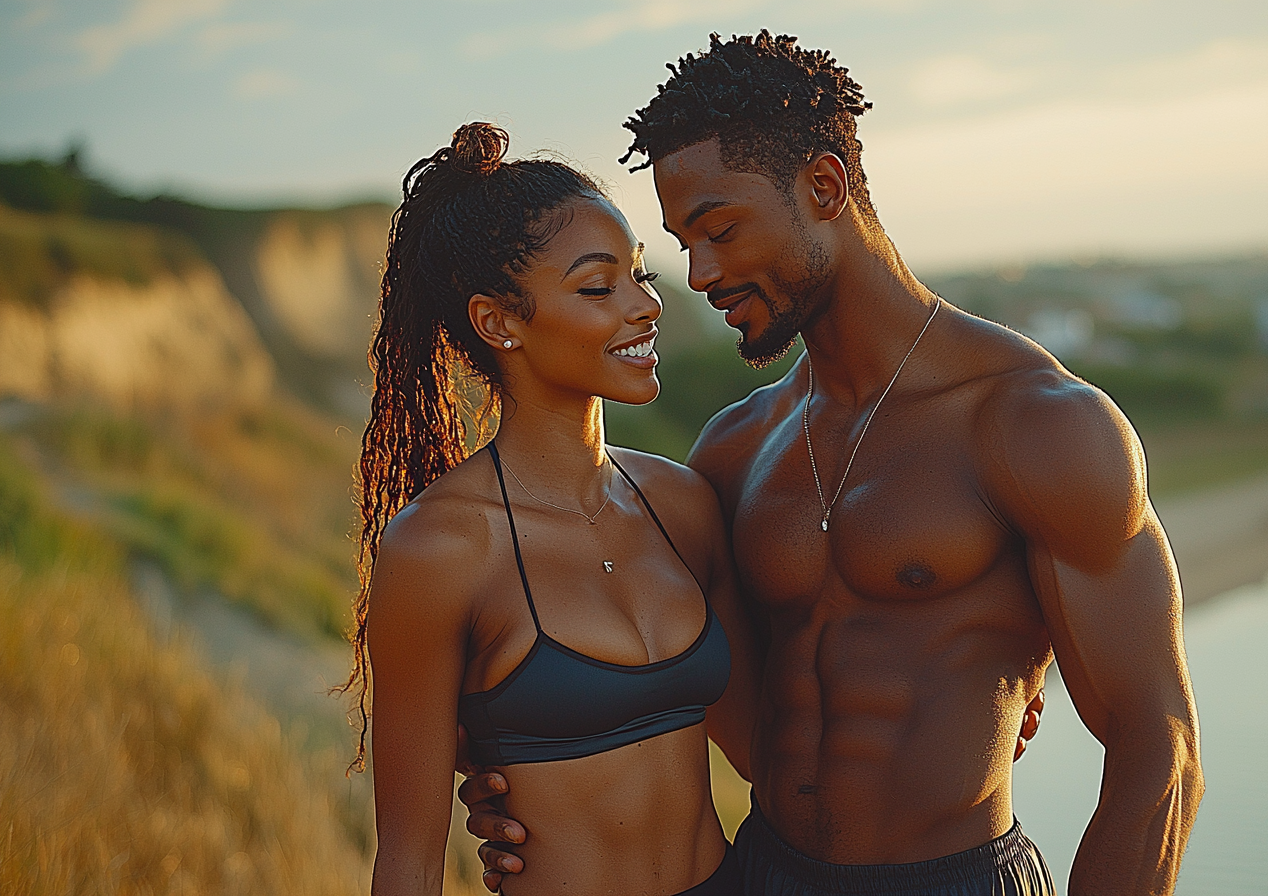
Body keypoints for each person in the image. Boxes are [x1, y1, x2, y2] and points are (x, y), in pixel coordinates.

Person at [463, 31, 1203, 896]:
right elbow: (708, 699)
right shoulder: (736, 448)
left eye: (722, 230)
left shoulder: (1035, 426)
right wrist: (530, 787)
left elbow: (1161, 751)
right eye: (681, 242)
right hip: (763, 871)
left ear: (824, 186)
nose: (698, 274)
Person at [345, 121, 766, 896]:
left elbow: (768, 753)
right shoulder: (439, 549)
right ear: (499, 322)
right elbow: (407, 861)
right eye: (599, 287)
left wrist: (958, 704)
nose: (646, 305)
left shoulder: (682, 504)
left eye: (640, 274)